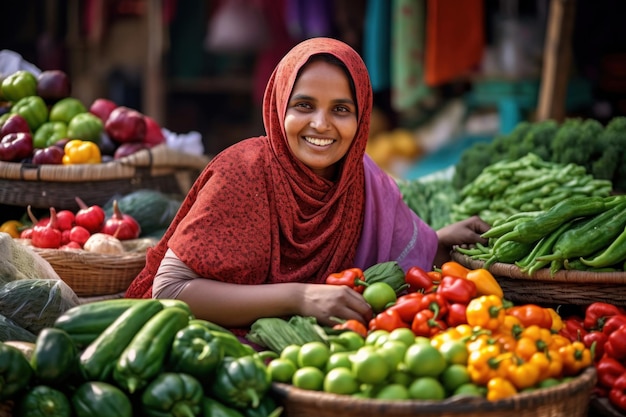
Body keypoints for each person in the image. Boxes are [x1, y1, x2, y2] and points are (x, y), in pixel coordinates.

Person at [125, 37, 489, 335]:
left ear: (362, 120)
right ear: (278, 106)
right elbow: (170, 290)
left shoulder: (360, 180)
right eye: (304, 105)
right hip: (202, 350)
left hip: (310, 356)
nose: (321, 124)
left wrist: (437, 242)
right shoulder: (244, 172)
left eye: (341, 110)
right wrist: (298, 297)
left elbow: (395, 257)